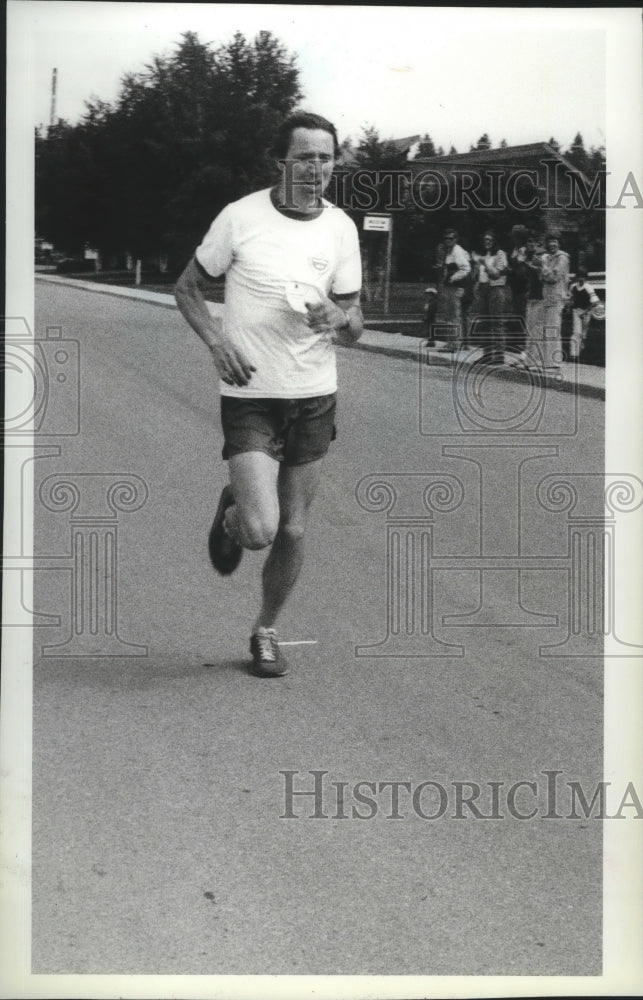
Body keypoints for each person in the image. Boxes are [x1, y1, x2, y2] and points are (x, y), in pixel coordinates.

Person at [174, 111, 363, 678]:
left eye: (325, 158)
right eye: (304, 157)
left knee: (295, 527)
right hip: (252, 391)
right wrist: (215, 341)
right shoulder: (240, 217)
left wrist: (340, 317)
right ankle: (233, 510)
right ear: (280, 162)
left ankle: (265, 630)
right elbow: (186, 287)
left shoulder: (341, 229)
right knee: (261, 529)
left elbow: (357, 328)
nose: (316, 169)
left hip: (314, 395)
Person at [469, 230, 509, 364]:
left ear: (494, 241)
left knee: (496, 322)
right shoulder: (483, 255)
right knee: (484, 322)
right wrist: (476, 265)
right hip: (483, 288)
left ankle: (499, 355)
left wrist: (484, 262)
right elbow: (475, 276)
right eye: (485, 240)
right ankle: (487, 354)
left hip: (496, 288)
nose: (487, 242)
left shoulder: (500, 254)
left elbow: (496, 274)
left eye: (490, 240)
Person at [434, 228, 471, 352]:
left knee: (453, 315)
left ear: (455, 239)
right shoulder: (448, 251)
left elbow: (466, 268)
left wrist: (453, 278)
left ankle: (453, 343)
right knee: (450, 315)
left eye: (451, 238)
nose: (448, 241)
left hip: (455, 287)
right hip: (450, 286)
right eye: (446, 238)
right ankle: (455, 341)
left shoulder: (457, 251)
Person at [540, 231, 570, 370]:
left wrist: (545, 269)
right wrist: (545, 271)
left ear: (559, 243)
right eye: (550, 241)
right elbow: (542, 277)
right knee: (548, 328)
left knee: (554, 327)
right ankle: (549, 360)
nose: (552, 244)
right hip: (547, 296)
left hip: (557, 296)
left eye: (555, 241)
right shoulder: (547, 257)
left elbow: (553, 277)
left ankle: (554, 361)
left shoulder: (562, 258)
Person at [568, 265, 600, 362]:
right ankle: (574, 355)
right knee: (576, 332)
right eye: (579, 276)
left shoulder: (589, 288)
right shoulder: (573, 286)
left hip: (586, 312)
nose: (581, 279)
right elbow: (570, 298)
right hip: (576, 311)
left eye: (583, 277)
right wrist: (569, 306)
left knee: (583, 334)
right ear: (577, 277)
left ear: (585, 278)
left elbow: (595, 302)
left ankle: (582, 352)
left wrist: (586, 312)